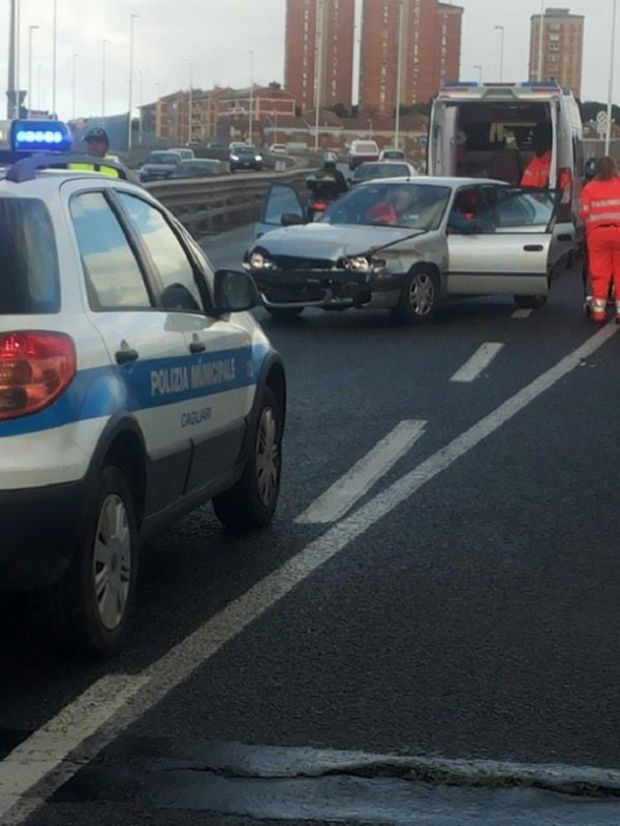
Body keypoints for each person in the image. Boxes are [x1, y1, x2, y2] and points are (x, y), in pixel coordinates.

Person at [579, 155, 620, 323]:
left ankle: (598, 312)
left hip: (597, 235)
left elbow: (583, 213)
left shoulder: (589, 188)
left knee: (599, 273)